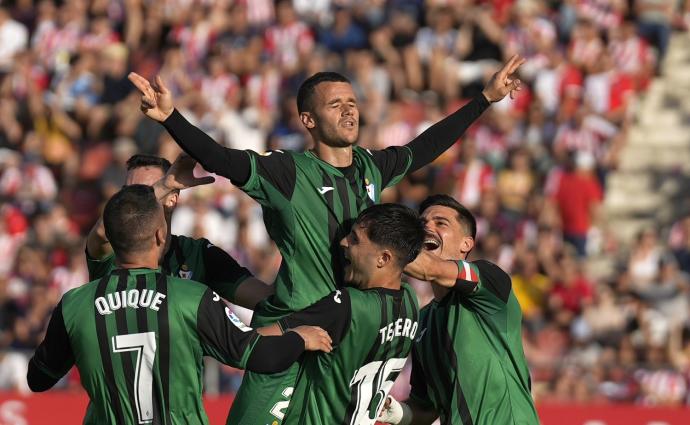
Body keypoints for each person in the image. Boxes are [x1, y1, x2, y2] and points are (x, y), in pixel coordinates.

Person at [127, 56, 523, 423]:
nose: (349, 109)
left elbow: (426, 147)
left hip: (344, 341)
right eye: (335, 104)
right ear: (308, 119)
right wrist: (171, 118)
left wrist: (485, 99)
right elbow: (220, 158)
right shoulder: (286, 172)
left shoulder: (372, 167)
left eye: (352, 101)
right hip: (291, 334)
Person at [27, 185, 332, 425]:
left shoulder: (74, 304)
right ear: (160, 236)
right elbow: (254, 354)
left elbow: (38, 379)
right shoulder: (191, 297)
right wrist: (298, 337)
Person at [378, 194, 539, 425]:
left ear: (467, 243)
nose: (427, 228)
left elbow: (430, 269)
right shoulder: (422, 321)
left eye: (440, 223)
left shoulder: (489, 279)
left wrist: (376, 243)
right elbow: (425, 409)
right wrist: (394, 411)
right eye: (422, 224)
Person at [259, 203, 425, 424]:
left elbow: (257, 340)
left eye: (355, 239)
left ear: (383, 259)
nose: (343, 242)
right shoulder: (411, 301)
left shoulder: (348, 305)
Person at [85, 153, 273, 309]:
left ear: (172, 199)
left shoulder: (196, 254)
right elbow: (102, 231)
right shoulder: (111, 252)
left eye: (143, 190)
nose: (129, 200)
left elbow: (264, 299)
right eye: (127, 191)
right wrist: (164, 186)